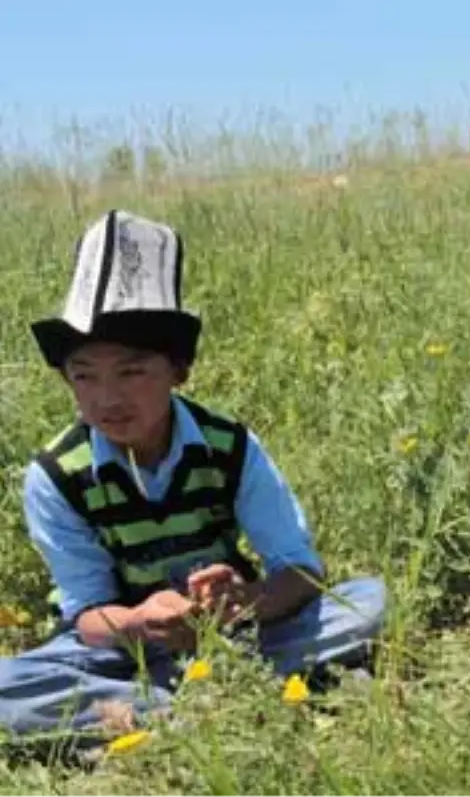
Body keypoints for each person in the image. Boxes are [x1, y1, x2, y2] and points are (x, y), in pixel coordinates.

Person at [0, 210, 387, 747]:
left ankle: (159, 711)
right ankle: (224, 701)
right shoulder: (55, 476)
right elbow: (87, 615)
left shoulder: (228, 447)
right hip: (120, 649)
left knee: (368, 601)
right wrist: (139, 621)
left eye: (132, 371)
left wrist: (240, 602)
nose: (107, 398)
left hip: (233, 636)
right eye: (84, 376)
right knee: (6, 687)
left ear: (178, 372)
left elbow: (300, 571)